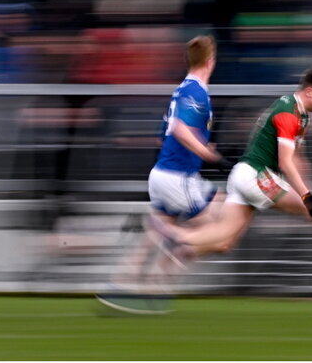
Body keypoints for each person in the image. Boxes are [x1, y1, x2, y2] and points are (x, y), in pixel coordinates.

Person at [155, 68, 312, 281]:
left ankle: (176, 239)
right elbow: (285, 160)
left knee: (224, 238)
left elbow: (297, 158)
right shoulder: (289, 113)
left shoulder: (298, 114)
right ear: (309, 91)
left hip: (244, 176)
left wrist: (308, 191)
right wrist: (306, 197)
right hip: (255, 177)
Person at [97, 34, 232, 314]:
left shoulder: (181, 90)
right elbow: (181, 130)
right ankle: (160, 278)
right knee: (221, 235)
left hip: (163, 175)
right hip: (177, 178)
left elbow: (165, 137)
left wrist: (200, 147)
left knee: (154, 239)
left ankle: (120, 286)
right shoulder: (195, 92)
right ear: (211, 60)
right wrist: (209, 155)